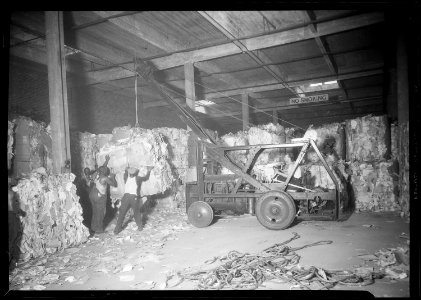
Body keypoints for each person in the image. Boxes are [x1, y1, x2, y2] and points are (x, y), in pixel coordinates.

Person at [114, 166, 152, 235]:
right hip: (133, 197)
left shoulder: (126, 177)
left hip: (125, 197)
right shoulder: (137, 178)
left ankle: (116, 231)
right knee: (136, 212)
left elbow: (125, 172)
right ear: (136, 173)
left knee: (122, 214)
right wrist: (149, 170)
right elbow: (146, 178)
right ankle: (140, 227)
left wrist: (126, 169)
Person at [88, 155, 117, 236]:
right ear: (104, 172)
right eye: (106, 171)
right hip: (99, 196)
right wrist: (113, 177)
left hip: (92, 194)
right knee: (101, 212)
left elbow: (102, 167)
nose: (107, 171)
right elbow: (114, 184)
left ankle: (93, 228)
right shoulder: (104, 178)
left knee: (95, 211)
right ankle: (99, 230)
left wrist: (107, 160)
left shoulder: (96, 174)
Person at [8, 188, 26, 269]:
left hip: (11, 217)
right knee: (14, 240)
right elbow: (15, 208)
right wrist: (23, 213)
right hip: (12, 218)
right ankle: (13, 262)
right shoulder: (12, 193)